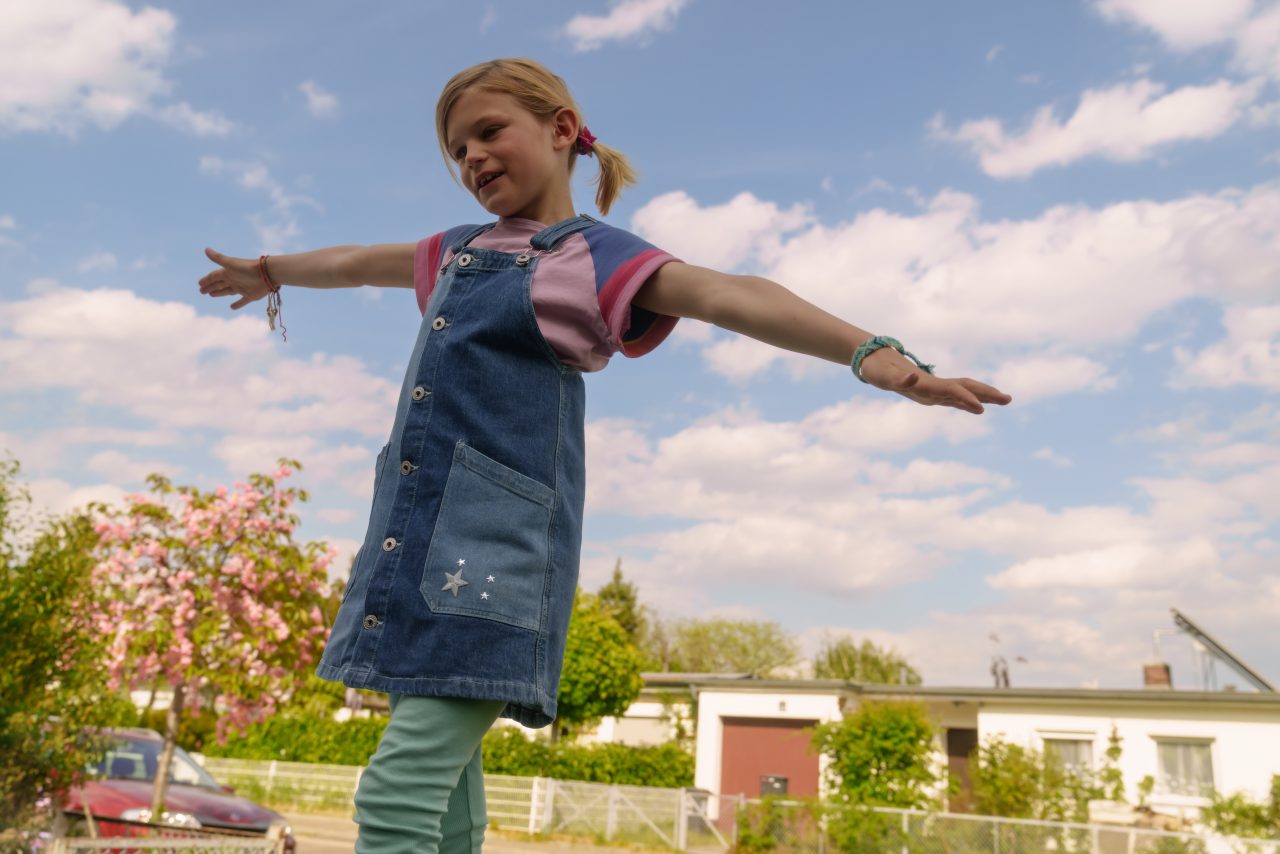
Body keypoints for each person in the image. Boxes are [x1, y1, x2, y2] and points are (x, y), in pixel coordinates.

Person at [198, 57, 1010, 854]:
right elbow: (353, 263)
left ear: (560, 130)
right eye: (457, 150)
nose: (472, 157)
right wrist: (272, 272)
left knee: (395, 798)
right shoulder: (454, 248)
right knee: (445, 817)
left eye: (489, 132)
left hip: (492, 560)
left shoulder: (593, 257)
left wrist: (874, 355)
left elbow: (729, 292)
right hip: (410, 544)